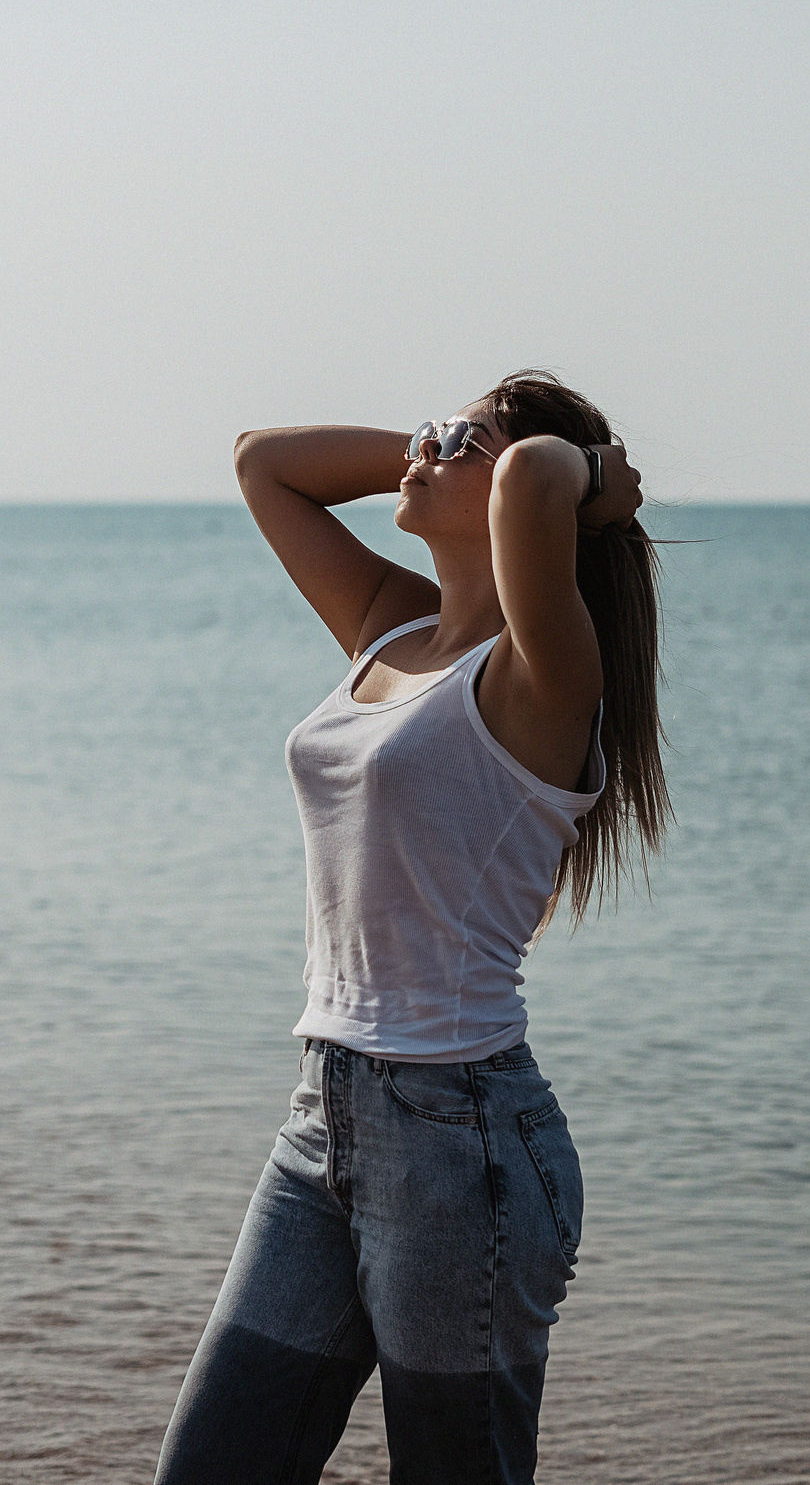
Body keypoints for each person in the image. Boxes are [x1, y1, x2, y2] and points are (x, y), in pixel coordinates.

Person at [154, 369, 670, 1485]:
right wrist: (449, 456)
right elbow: (264, 461)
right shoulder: (396, 629)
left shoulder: (541, 673)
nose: (425, 446)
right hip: (321, 1121)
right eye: (431, 430)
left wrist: (581, 478)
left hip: (462, 1140)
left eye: (460, 434)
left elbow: (533, 471)